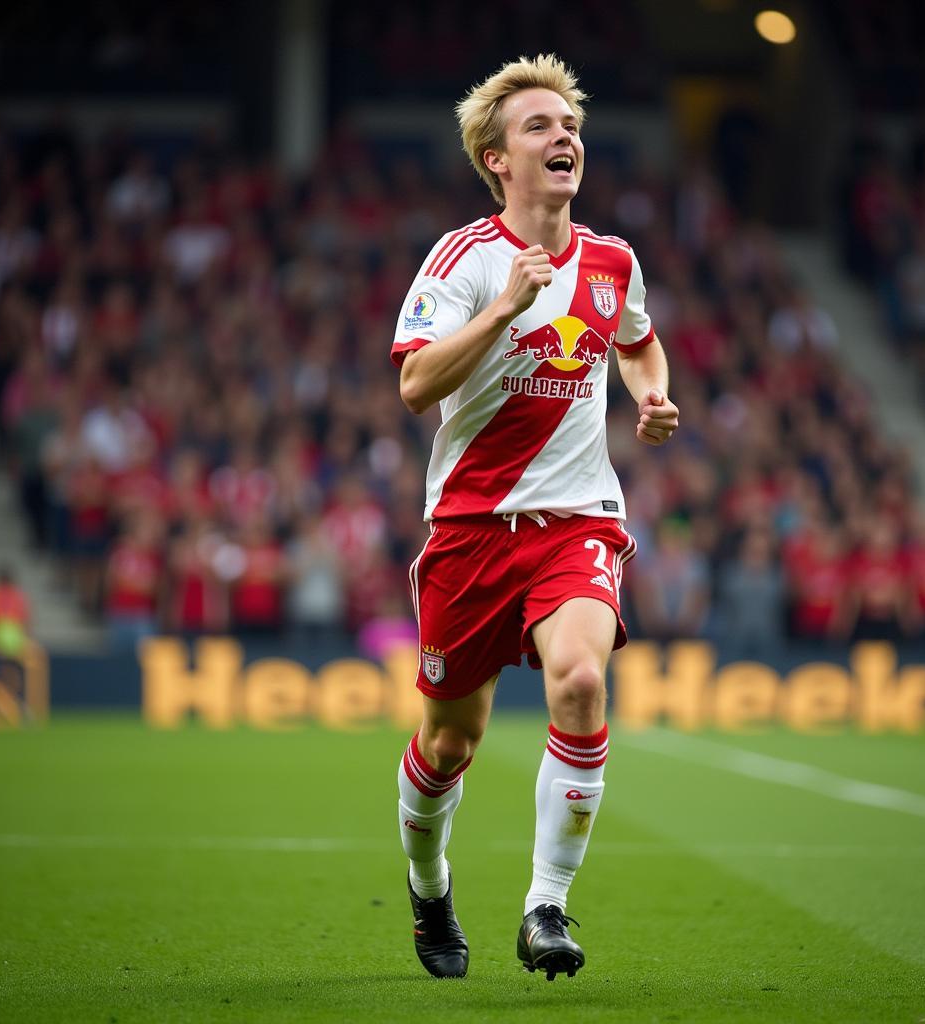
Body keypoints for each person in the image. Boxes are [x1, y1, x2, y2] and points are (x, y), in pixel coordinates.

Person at [390, 54, 678, 981]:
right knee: (449, 744)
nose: (565, 138)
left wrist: (653, 394)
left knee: (583, 681)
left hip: (575, 520)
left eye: (571, 125)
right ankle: (430, 888)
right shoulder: (464, 261)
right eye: (539, 127)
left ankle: (546, 905)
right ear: (495, 159)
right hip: (471, 531)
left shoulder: (612, 261)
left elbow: (637, 339)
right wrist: (505, 307)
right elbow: (414, 383)